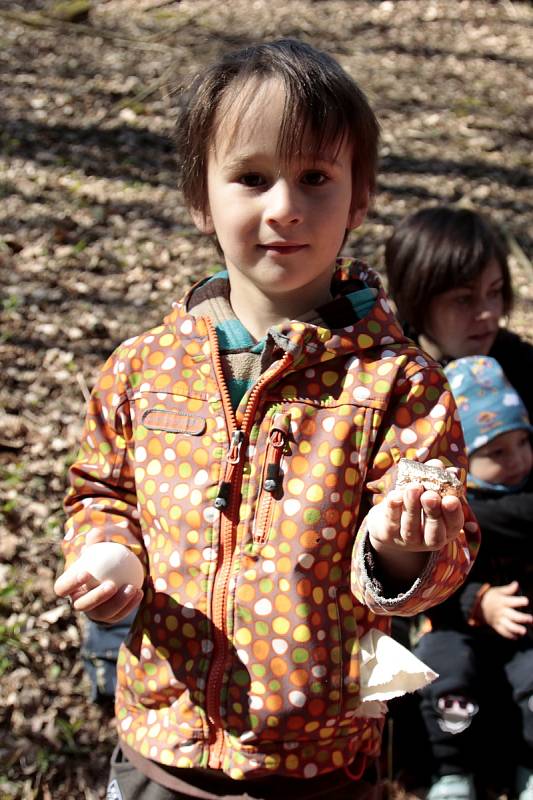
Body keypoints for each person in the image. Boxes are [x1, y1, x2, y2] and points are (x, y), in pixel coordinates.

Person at [53, 39, 480, 800]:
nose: (284, 207)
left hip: (319, 763)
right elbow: (100, 492)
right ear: (199, 197)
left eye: (314, 178)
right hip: (161, 742)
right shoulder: (143, 367)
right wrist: (110, 550)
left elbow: (436, 570)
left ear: (360, 196)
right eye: (251, 178)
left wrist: (398, 550)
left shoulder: (394, 383)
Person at [415, 356, 533, 800]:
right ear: (464, 456)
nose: (518, 460)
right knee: (444, 669)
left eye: (523, 442)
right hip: (457, 628)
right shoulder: (446, 507)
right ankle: (450, 773)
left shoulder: (519, 496)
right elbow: (429, 585)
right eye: (497, 452)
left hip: (524, 630)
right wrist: (478, 602)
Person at [384, 205, 533, 420]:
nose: (488, 313)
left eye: (495, 292)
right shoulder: (387, 380)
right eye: (463, 299)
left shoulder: (518, 368)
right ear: (414, 300)